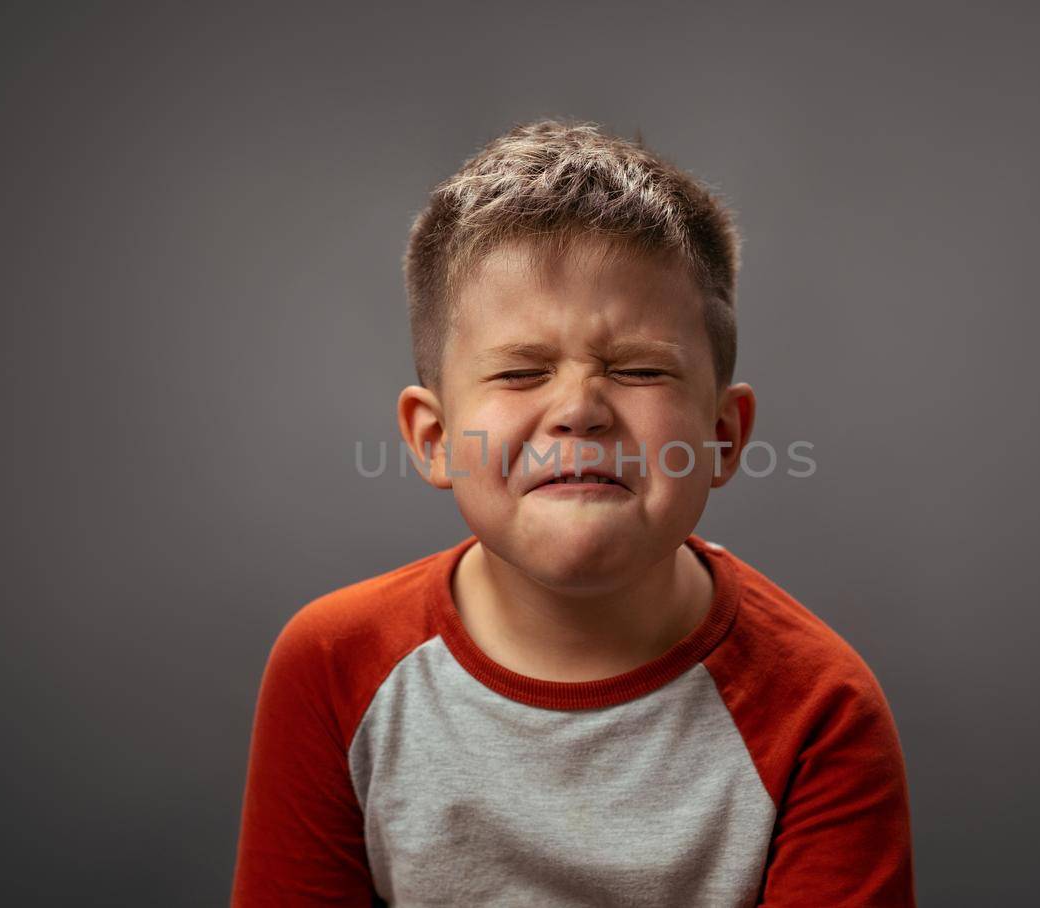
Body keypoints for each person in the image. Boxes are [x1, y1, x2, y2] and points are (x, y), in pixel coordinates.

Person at [230, 119, 916, 907]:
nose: (579, 411)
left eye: (639, 369)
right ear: (435, 439)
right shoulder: (332, 666)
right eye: (522, 372)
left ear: (723, 436)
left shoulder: (820, 708)